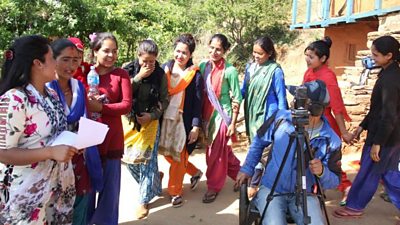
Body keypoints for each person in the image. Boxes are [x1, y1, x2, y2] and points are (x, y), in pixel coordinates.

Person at [236, 80, 342, 225]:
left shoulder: (331, 140)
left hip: (305, 193)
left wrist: (322, 171)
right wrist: (247, 168)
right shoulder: (280, 118)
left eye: (298, 101)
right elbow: (258, 142)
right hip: (272, 188)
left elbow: (335, 181)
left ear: (314, 110)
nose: (292, 104)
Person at [0, 35, 78, 224]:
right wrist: (51, 151)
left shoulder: (50, 94)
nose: (56, 63)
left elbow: (57, 131)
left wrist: (72, 144)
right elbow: (3, 152)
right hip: (24, 193)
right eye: (52, 58)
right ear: (38, 63)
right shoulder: (15, 99)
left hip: (53, 188)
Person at [333, 35, 400, 220]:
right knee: (387, 174)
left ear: (389, 55)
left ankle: (355, 206)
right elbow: (376, 110)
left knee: (374, 173)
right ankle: (355, 205)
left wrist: (378, 143)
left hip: (386, 137)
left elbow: (388, 115)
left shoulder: (391, 80)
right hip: (386, 135)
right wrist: (361, 127)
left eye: (376, 55)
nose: (372, 58)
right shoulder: (387, 73)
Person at [48, 38, 103, 225]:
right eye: (65, 59)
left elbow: (84, 119)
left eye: (75, 60)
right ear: (52, 59)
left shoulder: (78, 87)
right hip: (52, 161)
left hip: (79, 159)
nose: (71, 65)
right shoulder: (44, 90)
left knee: (80, 206)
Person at [86, 32, 132, 225]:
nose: (111, 55)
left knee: (110, 191)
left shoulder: (120, 75)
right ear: (95, 51)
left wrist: (101, 108)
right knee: (86, 190)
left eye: (114, 51)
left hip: (112, 138)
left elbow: (126, 105)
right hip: (88, 139)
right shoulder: (85, 73)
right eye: (106, 51)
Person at [303, 36, 353, 205]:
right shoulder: (309, 72)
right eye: (307, 55)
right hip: (309, 121)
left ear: (323, 59)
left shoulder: (328, 77)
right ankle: (316, 190)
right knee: (309, 158)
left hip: (325, 124)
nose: (307, 60)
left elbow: (337, 107)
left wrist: (344, 131)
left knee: (330, 161)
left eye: (311, 57)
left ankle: (346, 187)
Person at [122, 39, 169, 219]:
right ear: (138, 56)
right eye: (145, 60)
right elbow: (123, 94)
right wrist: (138, 77)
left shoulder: (160, 74)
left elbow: (165, 99)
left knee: (147, 161)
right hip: (130, 122)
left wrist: (152, 116)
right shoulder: (127, 71)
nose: (149, 64)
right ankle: (155, 180)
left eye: (152, 61)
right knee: (130, 161)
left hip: (151, 122)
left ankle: (143, 201)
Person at [158, 34, 203, 207]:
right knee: (167, 153)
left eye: (184, 53)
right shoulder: (164, 70)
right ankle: (194, 171)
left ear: (190, 55)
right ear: (173, 51)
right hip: (165, 119)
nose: (180, 56)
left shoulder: (194, 75)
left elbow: (198, 102)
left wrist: (195, 126)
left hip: (183, 122)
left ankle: (175, 192)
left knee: (178, 158)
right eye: (178, 51)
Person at [241, 36, 288, 197]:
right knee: (255, 148)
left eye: (260, 53)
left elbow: (282, 98)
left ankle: (254, 184)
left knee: (263, 151)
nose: (256, 56)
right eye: (254, 52)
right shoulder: (250, 68)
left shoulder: (275, 71)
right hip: (252, 116)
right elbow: (244, 91)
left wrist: (283, 121)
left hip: (269, 117)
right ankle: (254, 183)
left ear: (269, 54)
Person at [200, 34, 242, 203]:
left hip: (221, 118)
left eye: (218, 49)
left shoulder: (230, 70)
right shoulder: (203, 66)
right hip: (206, 116)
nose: (214, 52)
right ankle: (243, 175)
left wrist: (232, 124)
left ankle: (213, 186)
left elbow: (237, 99)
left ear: (225, 51)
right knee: (225, 153)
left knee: (214, 155)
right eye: (212, 48)